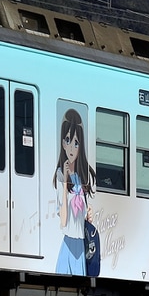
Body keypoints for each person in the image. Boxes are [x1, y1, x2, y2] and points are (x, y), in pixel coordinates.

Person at [52, 108, 94, 275]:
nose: (71, 147)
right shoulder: (60, 175)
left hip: (81, 245)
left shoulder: (81, 178)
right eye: (68, 140)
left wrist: (88, 214)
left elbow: (82, 214)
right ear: (62, 143)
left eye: (76, 142)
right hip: (69, 244)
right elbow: (63, 220)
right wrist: (64, 185)